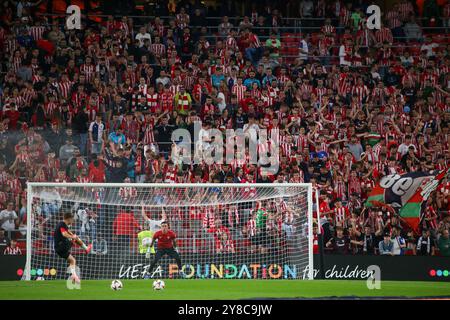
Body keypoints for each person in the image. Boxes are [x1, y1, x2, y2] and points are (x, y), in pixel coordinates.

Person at [54, 212, 92, 284]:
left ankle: (74, 276)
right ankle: (86, 248)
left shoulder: (62, 225)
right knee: (75, 238)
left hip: (58, 249)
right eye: (72, 219)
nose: (73, 221)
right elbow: (64, 234)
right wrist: (72, 237)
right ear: (69, 219)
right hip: (62, 246)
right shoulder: (62, 224)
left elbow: (67, 232)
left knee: (72, 260)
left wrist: (72, 235)